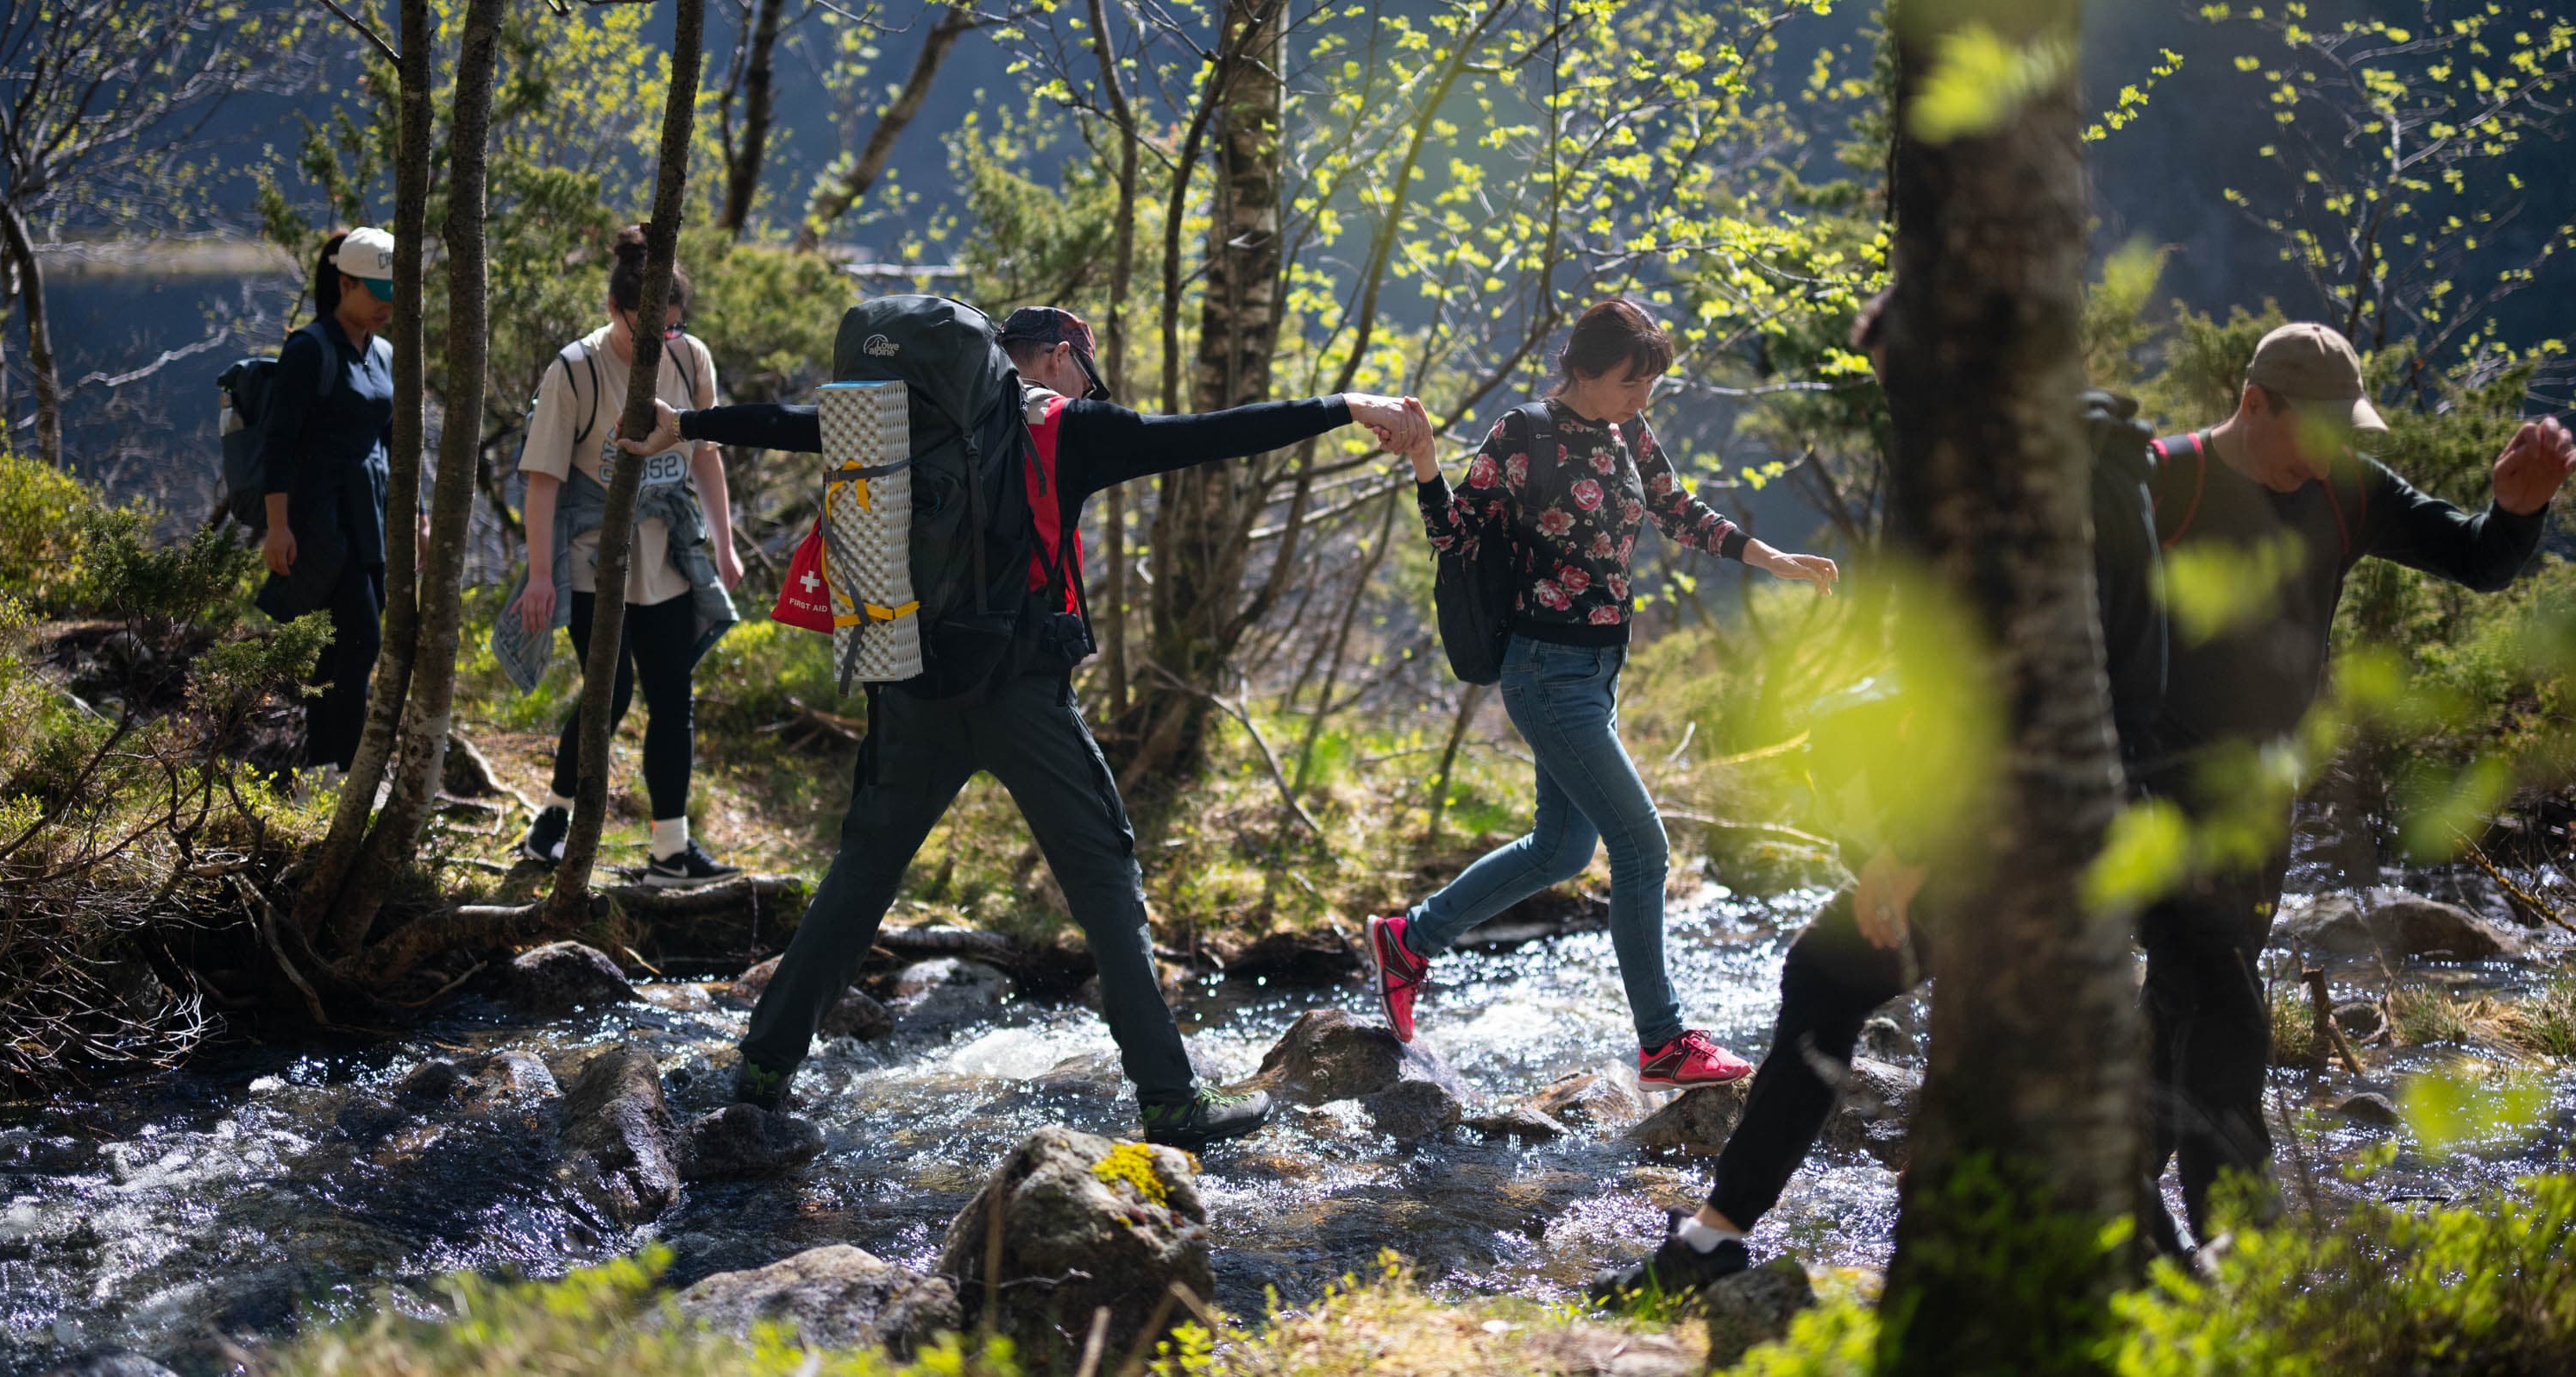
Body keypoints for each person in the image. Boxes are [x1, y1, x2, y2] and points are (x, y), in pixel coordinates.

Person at [619, 303, 1431, 1145]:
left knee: (858, 884)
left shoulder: (889, 419)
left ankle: (761, 1074)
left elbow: (794, 426)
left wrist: (685, 424)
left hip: (908, 686)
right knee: (1109, 889)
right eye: (1085, 368)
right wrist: (1340, 406)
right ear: (1052, 356)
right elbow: (1208, 434)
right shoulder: (1066, 429)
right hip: (1021, 697)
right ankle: (1170, 1100)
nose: (1087, 386)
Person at [1590, 285, 2171, 1301]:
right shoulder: (2104, 459)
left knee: (1829, 978)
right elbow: (2126, 663)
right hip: (2096, 809)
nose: (1906, 415)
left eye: (1905, 390)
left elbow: (2006, 681)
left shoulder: (2024, 482)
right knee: (2035, 1039)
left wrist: (1909, 843)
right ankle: (2149, 1276)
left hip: (2022, 820)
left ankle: (1725, 1239)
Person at [2134, 321, 2574, 1241]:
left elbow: (2477, 558)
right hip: (2150, 796)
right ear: (2255, 405)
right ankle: (2236, 1254)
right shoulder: (2163, 478)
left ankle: (2104, 1207)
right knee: (2227, 1014)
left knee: (2184, 1001)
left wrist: (2518, 511)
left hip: (2263, 800)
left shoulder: (2346, 490)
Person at [1365, 298, 1841, 1095]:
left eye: (1650, 381)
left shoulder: (1626, 433)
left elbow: (1678, 510)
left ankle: (1410, 939)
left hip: (1597, 670)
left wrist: (1774, 559)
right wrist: (1422, 459)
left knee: (1561, 850)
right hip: (1545, 673)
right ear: (1583, 370)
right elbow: (1456, 535)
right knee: (1642, 846)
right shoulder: (1525, 434)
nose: (1642, 396)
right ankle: (1663, 1041)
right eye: (1631, 380)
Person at [498, 227, 746, 888]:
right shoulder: (573, 370)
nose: (657, 344)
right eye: (645, 331)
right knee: (611, 691)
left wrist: (724, 545)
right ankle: (554, 822)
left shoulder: (691, 359)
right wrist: (542, 576)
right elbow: (543, 477)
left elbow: (707, 455)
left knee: (673, 693)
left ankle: (671, 849)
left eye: (668, 330)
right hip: (590, 554)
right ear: (614, 309)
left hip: (665, 553)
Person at [258, 227, 399, 773]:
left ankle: (322, 769)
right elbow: (279, 443)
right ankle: (350, 771)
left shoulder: (384, 353)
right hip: (320, 524)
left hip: (371, 520)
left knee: (336, 649)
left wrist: (418, 515)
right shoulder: (308, 349)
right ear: (344, 284)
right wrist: (277, 527)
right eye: (376, 293)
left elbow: (395, 441)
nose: (387, 305)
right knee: (362, 641)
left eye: (393, 294)